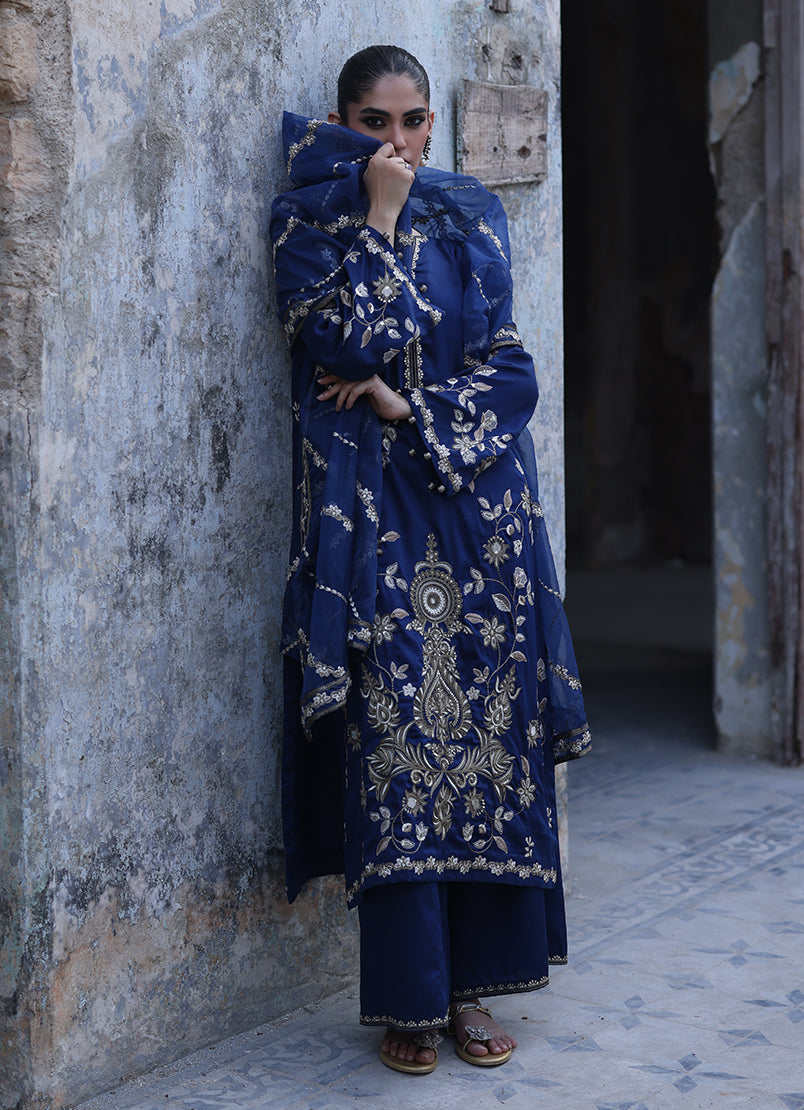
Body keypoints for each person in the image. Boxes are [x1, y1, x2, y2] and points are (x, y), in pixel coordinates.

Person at [270, 44, 591, 1075]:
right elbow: (349, 343)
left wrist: (404, 404)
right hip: (377, 522)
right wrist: (377, 214)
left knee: (491, 737)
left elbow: (512, 370)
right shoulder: (309, 222)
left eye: (413, 122)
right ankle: (410, 1003)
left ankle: (472, 989)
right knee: (400, 742)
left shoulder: (472, 211)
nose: (398, 142)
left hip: (480, 510)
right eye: (376, 122)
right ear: (344, 121)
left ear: (431, 125)